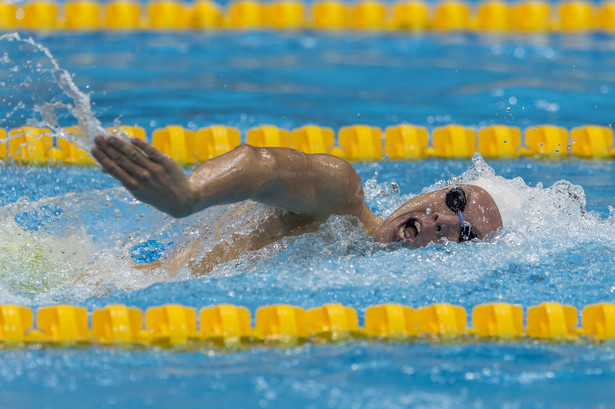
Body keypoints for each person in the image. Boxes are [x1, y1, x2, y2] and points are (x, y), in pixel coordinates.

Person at [91, 135, 505, 274]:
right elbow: (263, 165)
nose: (442, 219)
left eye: (464, 233)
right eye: (455, 200)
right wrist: (189, 196)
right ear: (430, 192)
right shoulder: (343, 200)